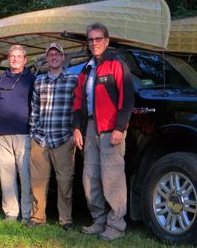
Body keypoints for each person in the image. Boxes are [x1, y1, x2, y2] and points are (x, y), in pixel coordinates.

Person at [72, 23, 134, 241]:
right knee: (90, 178)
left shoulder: (116, 64)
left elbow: (127, 98)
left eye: (98, 39)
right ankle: (99, 221)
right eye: (91, 39)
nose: (94, 43)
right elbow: (78, 101)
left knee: (113, 180)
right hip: (89, 130)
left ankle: (116, 226)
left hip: (111, 130)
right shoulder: (86, 69)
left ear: (107, 41)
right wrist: (76, 128)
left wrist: (120, 127)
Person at [27, 43, 78, 230]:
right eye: (50, 54)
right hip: (40, 138)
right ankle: (38, 217)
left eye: (58, 54)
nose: (54, 57)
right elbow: (35, 109)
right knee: (38, 181)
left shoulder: (73, 79)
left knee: (65, 181)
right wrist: (33, 132)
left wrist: (75, 132)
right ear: (47, 58)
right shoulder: (39, 81)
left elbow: (78, 107)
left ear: (63, 57)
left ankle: (66, 219)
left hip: (63, 138)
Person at [0, 45, 36, 222]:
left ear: (25, 60)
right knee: (6, 177)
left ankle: (27, 215)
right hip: (1, 135)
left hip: (24, 134)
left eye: (19, 56)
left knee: (26, 176)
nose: (15, 59)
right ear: (8, 58)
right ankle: (11, 213)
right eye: (12, 56)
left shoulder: (32, 79)